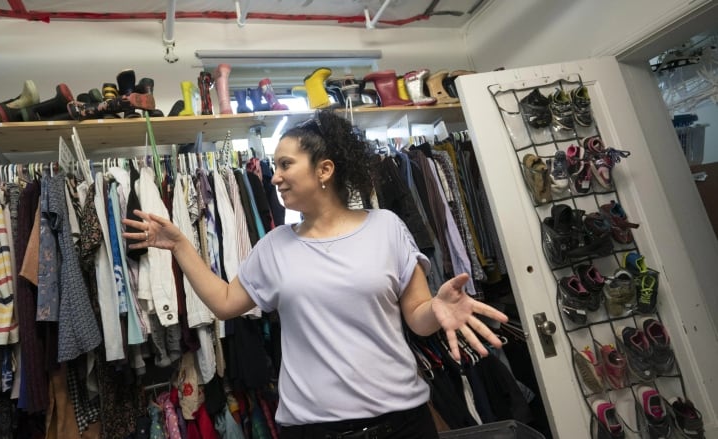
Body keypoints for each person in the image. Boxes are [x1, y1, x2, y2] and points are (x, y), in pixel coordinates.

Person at [123, 109, 508, 439]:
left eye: (285, 164)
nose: (274, 177)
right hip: (312, 429)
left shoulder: (386, 227)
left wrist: (437, 308)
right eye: (275, 167)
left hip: (402, 422)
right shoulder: (274, 245)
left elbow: (418, 317)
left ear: (324, 169)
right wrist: (180, 246)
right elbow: (225, 303)